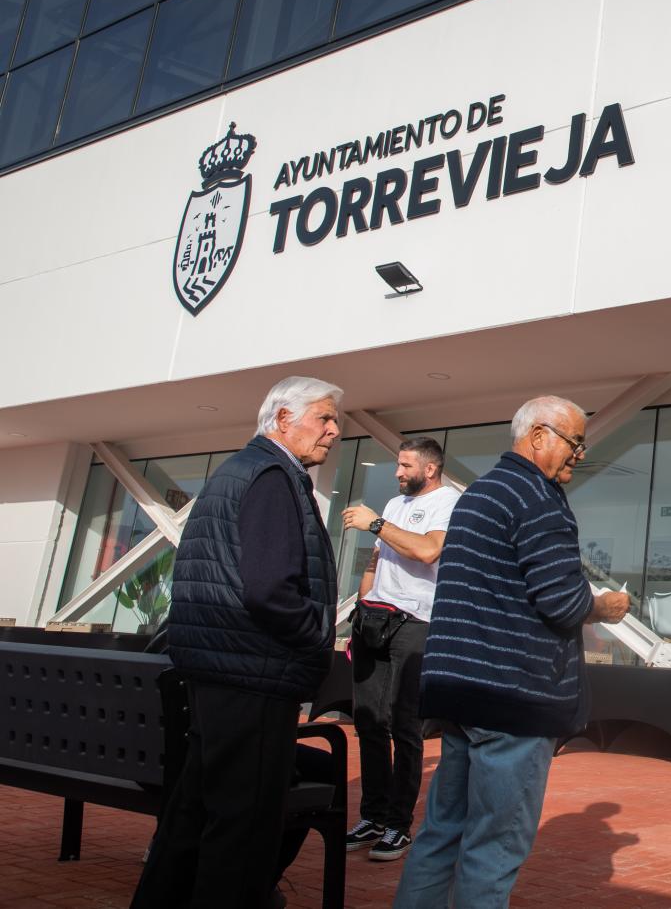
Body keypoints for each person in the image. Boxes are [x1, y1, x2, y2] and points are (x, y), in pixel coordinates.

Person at [393, 396, 630, 909]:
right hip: (513, 698)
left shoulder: (478, 494)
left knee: (441, 836)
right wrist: (605, 606)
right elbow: (563, 602)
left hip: (460, 694)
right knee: (493, 850)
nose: (579, 455)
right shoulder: (537, 499)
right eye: (575, 442)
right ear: (539, 436)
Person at [132, 376, 342, 909]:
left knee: (196, 813)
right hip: (253, 673)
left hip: (223, 672)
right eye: (323, 418)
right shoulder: (273, 477)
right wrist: (317, 640)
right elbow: (270, 590)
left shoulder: (240, 471)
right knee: (242, 829)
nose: (334, 431)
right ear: (282, 420)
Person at [340, 436, 459, 861]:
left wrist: (374, 524)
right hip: (374, 618)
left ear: (429, 469)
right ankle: (372, 815)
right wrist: (361, 606)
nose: (397, 472)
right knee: (368, 721)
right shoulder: (393, 506)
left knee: (402, 724)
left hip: (416, 622)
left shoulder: (449, 501)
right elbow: (376, 560)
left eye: (405, 465)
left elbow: (428, 551)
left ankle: (397, 825)